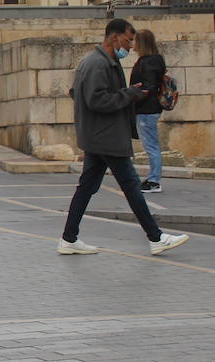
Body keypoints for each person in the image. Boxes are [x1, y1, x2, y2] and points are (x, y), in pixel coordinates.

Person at [58, 19, 189, 256]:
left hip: (97, 136)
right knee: (130, 186)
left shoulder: (99, 62)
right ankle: (156, 237)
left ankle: (69, 238)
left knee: (86, 188)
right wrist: (130, 94)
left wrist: (127, 93)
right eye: (128, 40)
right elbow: (96, 99)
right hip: (106, 137)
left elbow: (78, 93)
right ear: (115, 37)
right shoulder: (98, 64)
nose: (130, 46)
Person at [130, 29, 167, 193]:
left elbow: (149, 86)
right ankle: (153, 178)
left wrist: (137, 94)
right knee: (151, 144)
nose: (132, 44)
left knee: (151, 145)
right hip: (149, 108)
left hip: (146, 108)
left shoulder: (148, 62)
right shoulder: (155, 60)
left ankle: (154, 181)